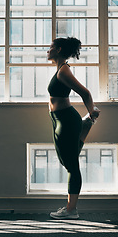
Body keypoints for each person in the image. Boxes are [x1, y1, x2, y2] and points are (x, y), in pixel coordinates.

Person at [47, 37, 100, 219]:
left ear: (59, 50)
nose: (48, 51)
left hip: (66, 121)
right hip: (61, 120)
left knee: (71, 165)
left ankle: (71, 210)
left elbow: (85, 92)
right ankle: (85, 125)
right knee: (68, 160)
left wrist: (91, 111)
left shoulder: (63, 72)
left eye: (51, 48)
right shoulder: (61, 70)